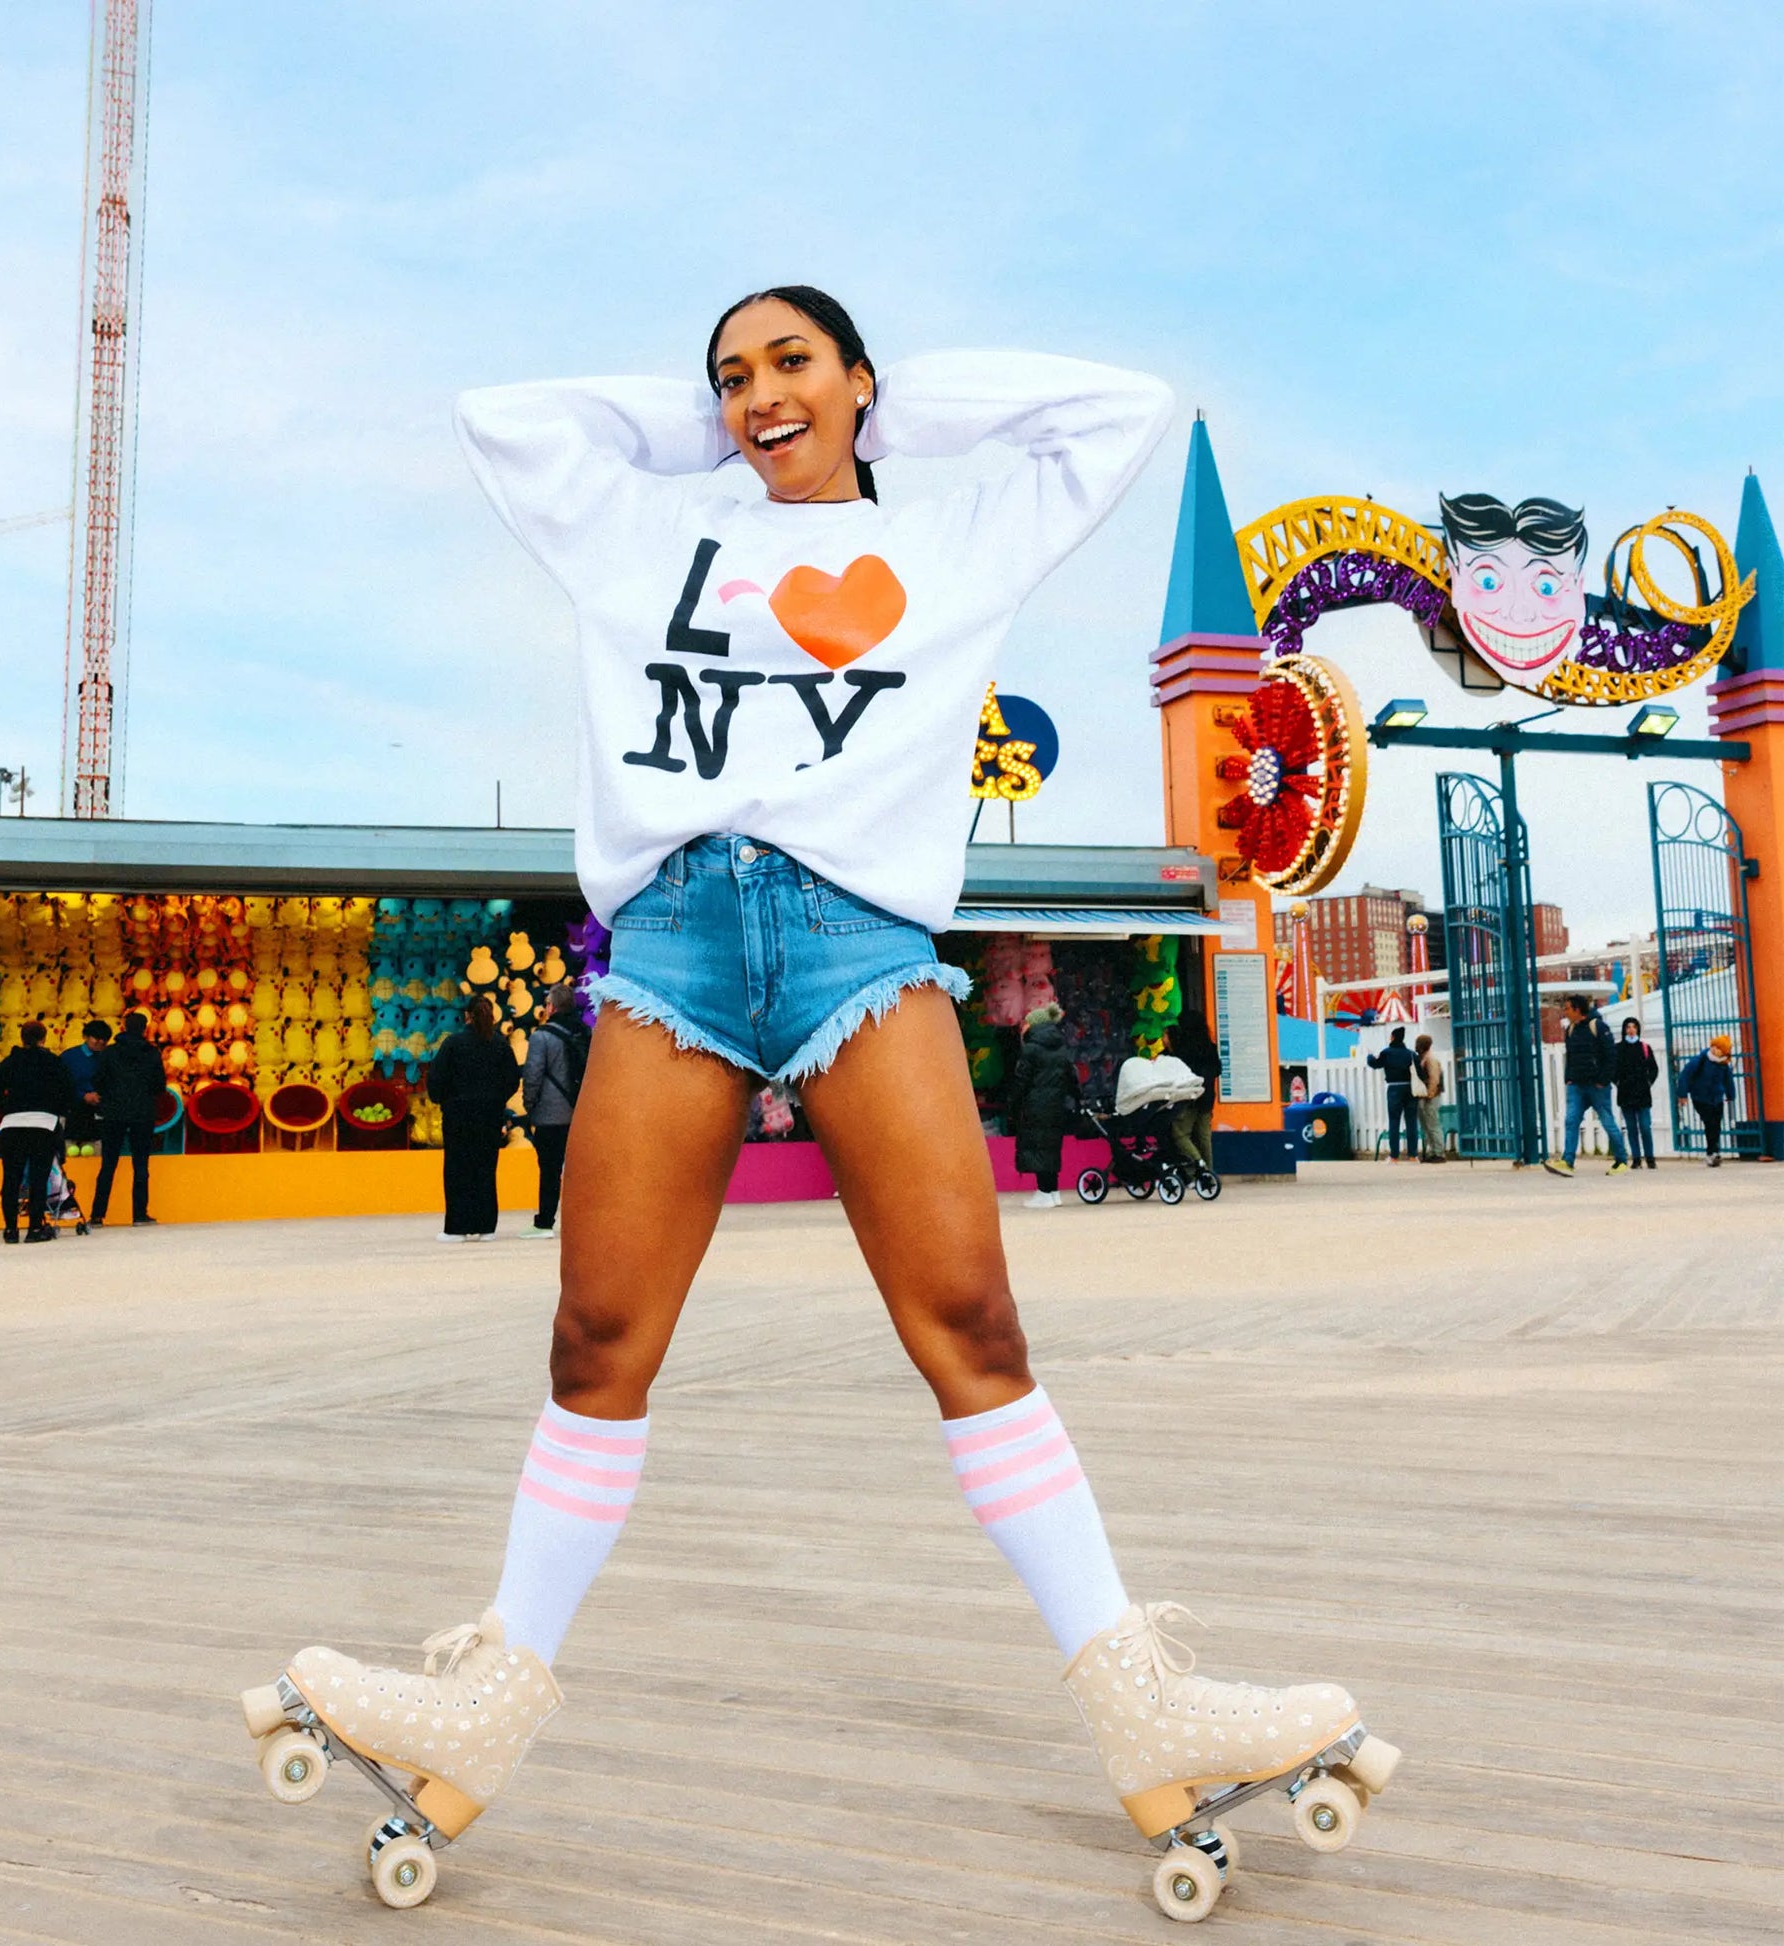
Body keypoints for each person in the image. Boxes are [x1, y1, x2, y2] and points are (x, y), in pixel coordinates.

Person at [244, 287, 1395, 1908]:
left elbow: (1114, 412)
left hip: (858, 941)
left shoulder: (952, 543)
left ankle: (1140, 1698)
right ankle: (487, 1699)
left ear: (860, 375)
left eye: (790, 362)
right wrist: (715, 425)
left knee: (970, 1326)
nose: (753, 394)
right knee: (596, 1340)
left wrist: (884, 414)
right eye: (730, 375)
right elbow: (511, 419)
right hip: (678, 946)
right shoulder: (645, 538)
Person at [427, 995, 521, 1239]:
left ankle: (457, 1227)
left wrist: (446, 1100)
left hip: (458, 1117)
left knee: (457, 1170)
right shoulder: (500, 1045)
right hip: (489, 1117)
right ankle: (486, 1226)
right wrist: (495, 1100)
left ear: (467, 1016)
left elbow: (436, 1080)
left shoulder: (453, 1044)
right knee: (485, 1169)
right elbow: (512, 1080)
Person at [0, 1021, 75, 1243]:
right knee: (39, 1178)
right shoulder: (53, 1062)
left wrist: (7, 1108)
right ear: (43, 1039)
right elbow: (68, 1091)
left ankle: (10, 1229)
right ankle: (35, 1228)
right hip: (43, 1124)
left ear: (21, 1038)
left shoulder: (10, 1062)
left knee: (11, 1179)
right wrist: (56, 1111)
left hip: (12, 1124)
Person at [522, 983, 589, 1236]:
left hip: (551, 1116)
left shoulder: (542, 1037)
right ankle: (581, 1223)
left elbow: (533, 1075)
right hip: (580, 1113)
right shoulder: (584, 1032)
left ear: (551, 1006)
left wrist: (530, 1106)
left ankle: (545, 1222)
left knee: (549, 1171)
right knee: (578, 1171)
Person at [90, 1010, 166, 1226]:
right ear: (144, 1029)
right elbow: (159, 1084)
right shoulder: (151, 1053)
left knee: (108, 1164)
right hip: (142, 1113)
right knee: (141, 1165)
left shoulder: (110, 1052)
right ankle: (139, 1214)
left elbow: (98, 1080)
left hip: (113, 1113)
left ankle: (97, 1214)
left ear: (123, 1027)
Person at [1545, 994, 1628, 1177]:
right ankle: (1568, 1161)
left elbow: (1611, 1056)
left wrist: (1603, 1080)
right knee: (1571, 1120)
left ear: (1577, 1009)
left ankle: (1621, 1159)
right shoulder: (1570, 1029)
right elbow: (1571, 1057)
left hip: (1596, 1085)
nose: (1564, 1012)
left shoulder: (1598, 1026)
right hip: (1577, 1085)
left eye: (1567, 1008)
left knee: (1607, 1121)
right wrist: (1569, 1078)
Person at [1011, 1002, 1077, 1208]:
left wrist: (1012, 1103)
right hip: (1056, 1106)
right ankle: (1053, 1191)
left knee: (1039, 1147)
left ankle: (1043, 1192)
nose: (1022, 1028)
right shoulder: (1061, 1049)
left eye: (1025, 1024)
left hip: (1035, 1106)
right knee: (1051, 1147)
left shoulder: (1031, 1050)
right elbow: (1072, 1077)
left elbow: (1021, 1080)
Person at [1165, 1012, 1223, 1174]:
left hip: (1189, 1098)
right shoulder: (1210, 1047)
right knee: (1204, 1136)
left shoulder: (1183, 1050)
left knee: (1180, 1134)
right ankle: (1209, 1173)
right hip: (1207, 1098)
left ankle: (1195, 1168)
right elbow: (1218, 1070)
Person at [1676, 1034, 1737, 1166]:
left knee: (1716, 1124)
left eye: (1720, 1048)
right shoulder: (1700, 1060)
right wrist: (1682, 1095)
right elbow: (1685, 1075)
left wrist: (1730, 1095)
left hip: (1717, 1097)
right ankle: (1712, 1152)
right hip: (1700, 1097)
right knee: (1710, 1123)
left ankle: (1713, 1152)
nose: (1716, 1050)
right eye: (1715, 1046)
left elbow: (1728, 1080)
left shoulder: (1723, 1064)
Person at [1366, 1025, 1419, 1161]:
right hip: (1410, 1089)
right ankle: (1413, 1155)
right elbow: (1420, 1072)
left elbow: (1375, 1064)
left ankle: (1394, 1155)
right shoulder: (1411, 1054)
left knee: (1394, 1121)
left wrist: (1370, 1056)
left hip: (1394, 1088)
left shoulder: (1387, 1053)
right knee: (1411, 1121)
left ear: (1393, 1037)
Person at [1613, 1017, 1658, 1170]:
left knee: (1645, 1126)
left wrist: (1648, 1082)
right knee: (1631, 1128)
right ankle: (1636, 1158)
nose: (1631, 1030)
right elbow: (1612, 1069)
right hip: (1626, 1093)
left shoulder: (1645, 1048)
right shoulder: (1618, 1049)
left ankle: (1650, 1158)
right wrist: (1618, 1082)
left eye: (1634, 1027)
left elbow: (1653, 1069)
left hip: (1643, 1094)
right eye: (1628, 1027)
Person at [61, 1019, 113, 1153]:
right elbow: (60, 1084)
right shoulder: (69, 1057)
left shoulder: (109, 1057)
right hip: (72, 1114)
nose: (101, 1042)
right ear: (86, 1037)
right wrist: (82, 1096)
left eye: (104, 1039)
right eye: (96, 1038)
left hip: (99, 1115)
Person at [1411, 1033, 1445, 1163]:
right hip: (1426, 1096)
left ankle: (1439, 1152)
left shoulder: (1430, 1060)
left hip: (1430, 1097)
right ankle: (1433, 1151)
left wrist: (1430, 1094)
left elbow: (1434, 1079)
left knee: (1432, 1125)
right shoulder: (1424, 1058)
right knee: (1427, 1125)